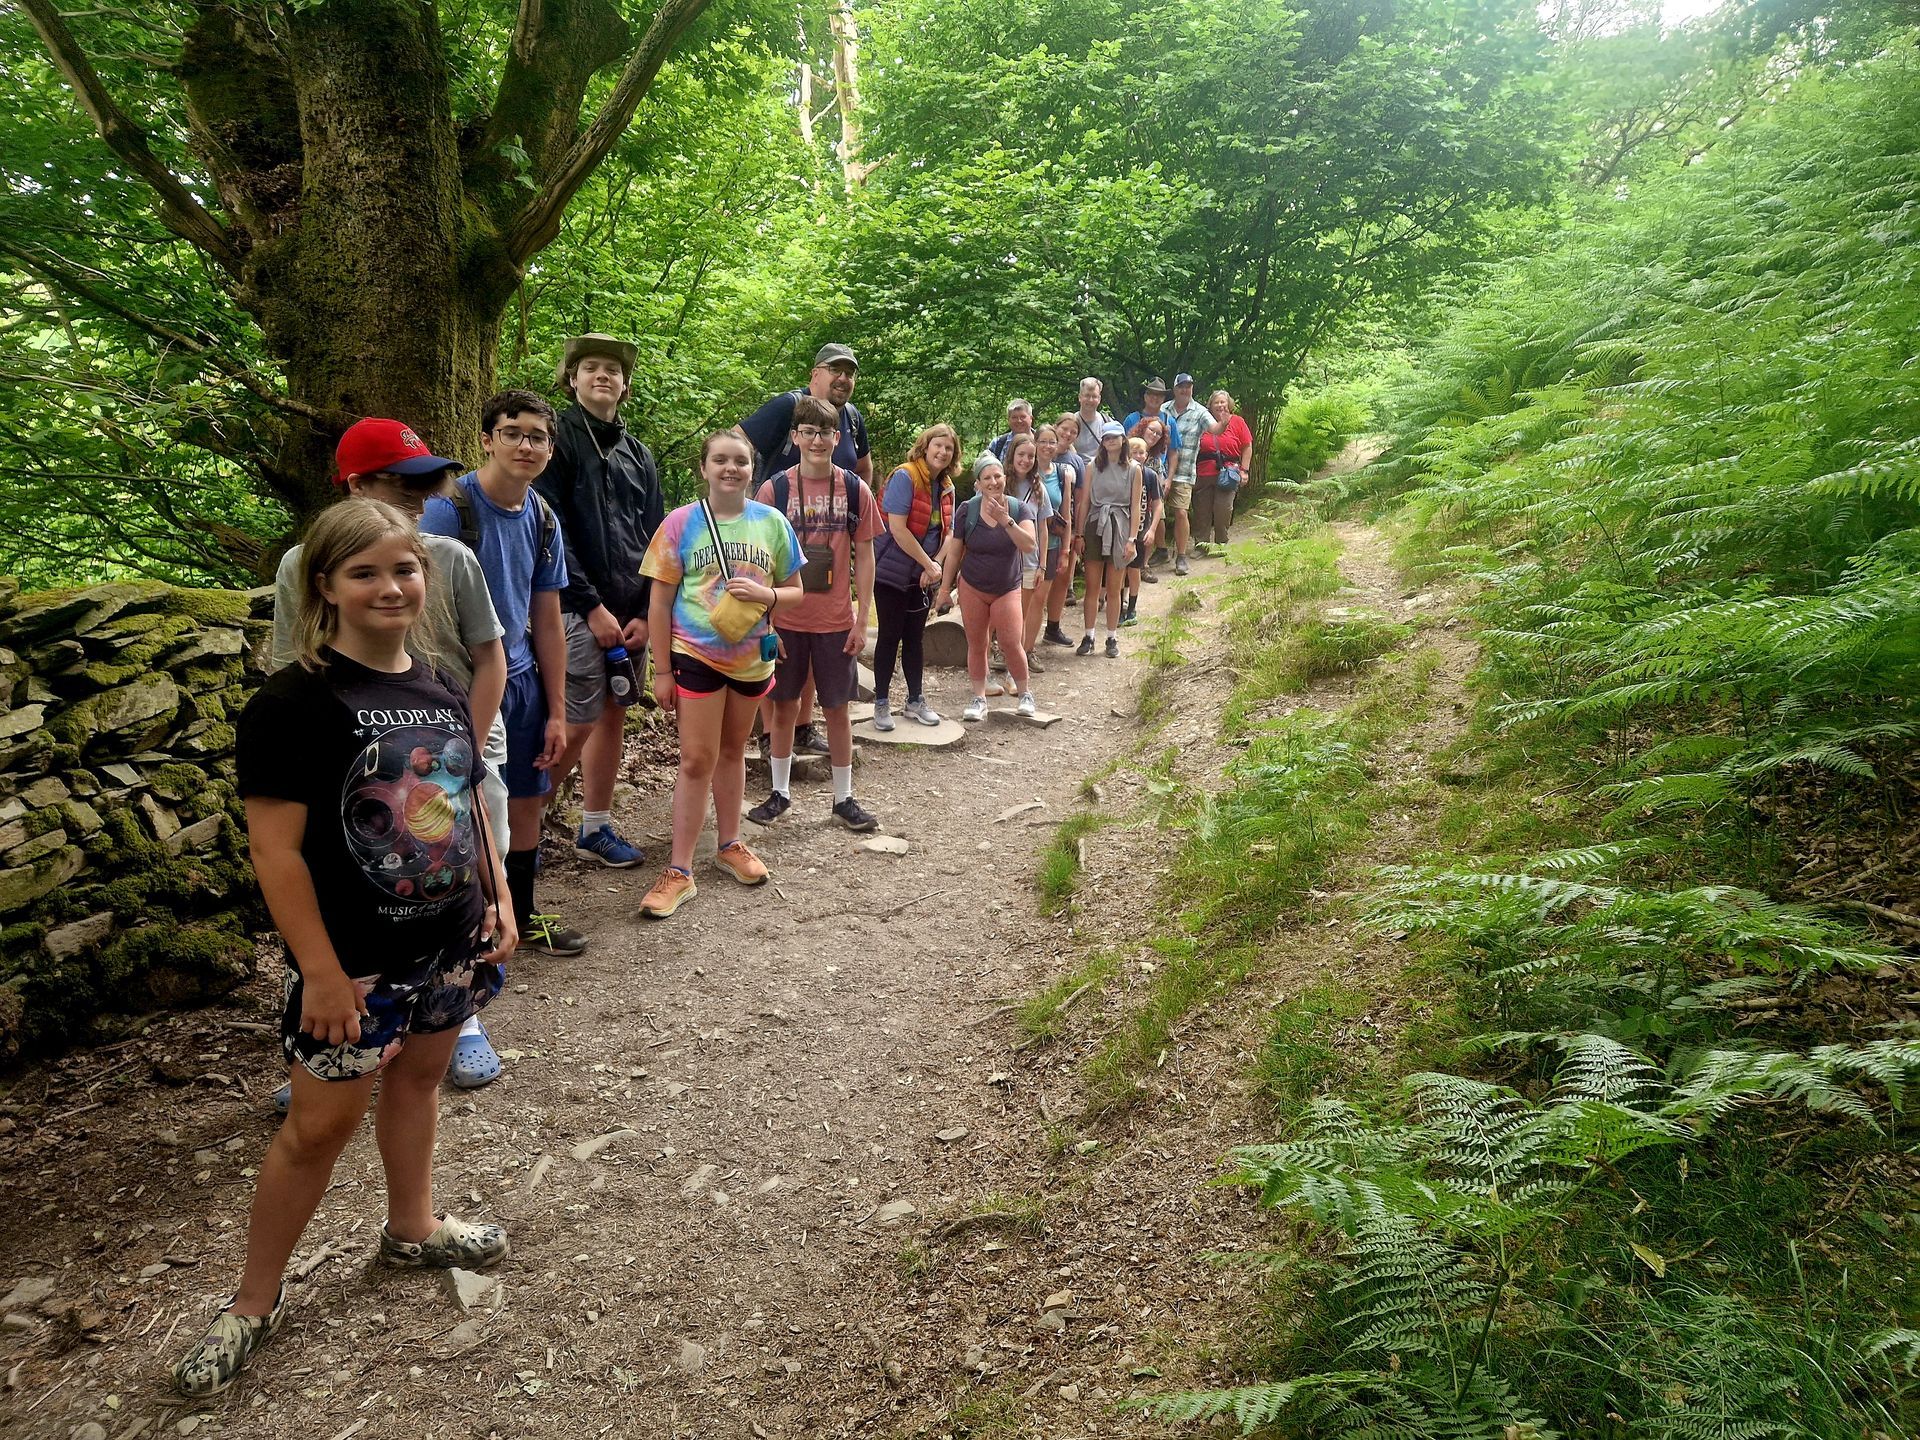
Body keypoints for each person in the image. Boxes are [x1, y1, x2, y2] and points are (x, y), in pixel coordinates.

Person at [175, 499, 513, 1398]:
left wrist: (501, 895)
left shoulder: (440, 683)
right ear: (323, 586)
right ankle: (252, 1302)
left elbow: (464, 794)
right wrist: (320, 972)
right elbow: (275, 852)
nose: (389, 587)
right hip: (354, 965)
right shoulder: (293, 704)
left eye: (403, 569)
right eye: (363, 572)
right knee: (317, 1128)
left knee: (420, 1080)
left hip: (449, 940)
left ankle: (412, 1226)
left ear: (424, 576)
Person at [268, 419, 508, 1098]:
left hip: (450, 738)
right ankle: (327, 1035)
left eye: (420, 485)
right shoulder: (300, 567)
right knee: (339, 877)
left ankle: (456, 1022)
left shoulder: (449, 558)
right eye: (394, 484)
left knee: (461, 884)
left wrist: (456, 756)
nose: (412, 498)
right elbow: (294, 660)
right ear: (353, 485)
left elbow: (490, 658)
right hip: (353, 747)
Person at [420, 392, 585, 959]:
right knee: (452, 803)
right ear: (487, 438)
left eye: (538, 436)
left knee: (526, 798)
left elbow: (547, 616)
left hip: (521, 678)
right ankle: (462, 923)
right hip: (454, 681)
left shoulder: (541, 515)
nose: (526, 444)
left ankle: (523, 912)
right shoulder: (449, 509)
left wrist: (557, 709)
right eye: (513, 432)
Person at [636, 432, 804, 918]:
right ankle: (679, 870)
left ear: (753, 468)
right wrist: (662, 670)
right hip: (697, 655)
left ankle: (731, 843)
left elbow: (795, 591)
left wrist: (766, 597)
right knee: (695, 759)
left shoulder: (771, 523)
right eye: (720, 461)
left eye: (740, 462)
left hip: (753, 658)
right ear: (704, 468)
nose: (730, 469)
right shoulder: (680, 523)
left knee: (734, 752)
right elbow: (660, 601)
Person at [537, 333, 664, 869]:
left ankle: (595, 825)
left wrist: (644, 613)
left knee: (614, 710)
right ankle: (523, 827)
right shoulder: (555, 440)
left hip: (629, 611)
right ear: (572, 379)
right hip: (572, 606)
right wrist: (590, 606)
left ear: (625, 386)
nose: (602, 376)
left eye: (612, 370)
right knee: (576, 718)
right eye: (590, 367)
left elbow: (657, 538)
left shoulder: (638, 454)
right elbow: (552, 528)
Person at [746, 395, 884, 832]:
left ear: (837, 437)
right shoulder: (776, 490)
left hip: (835, 621)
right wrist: (765, 619)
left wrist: (862, 619)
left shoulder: (855, 489)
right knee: (783, 706)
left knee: (838, 708)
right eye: (809, 432)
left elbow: (865, 555)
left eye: (825, 432)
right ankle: (779, 793)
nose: (818, 440)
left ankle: (844, 799)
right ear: (795, 437)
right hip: (786, 620)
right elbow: (759, 557)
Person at [736, 343, 871, 756]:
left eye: (850, 372)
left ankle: (802, 726)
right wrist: (743, 510)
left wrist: (858, 505)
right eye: (835, 370)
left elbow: (862, 465)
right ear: (816, 374)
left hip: (826, 546)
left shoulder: (850, 419)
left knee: (813, 640)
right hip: (774, 544)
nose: (843, 378)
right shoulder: (788, 406)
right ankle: (767, 732)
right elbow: (738, 442)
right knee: (774, 639)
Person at [871, 423, 960, 731]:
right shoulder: (905, 476)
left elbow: (949, 533)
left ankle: (914, 700)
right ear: (925, 446)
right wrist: (929, 564)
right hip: (890, 571)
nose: (943, 452)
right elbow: (897, 528)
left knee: (914, 638)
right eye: (938, 445)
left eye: (948, 448)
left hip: (922, 574)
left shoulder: (946, 486)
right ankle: (881, 703)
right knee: (888, 636)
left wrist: (933, 564)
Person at [938, 452, 1040, 721]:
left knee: (1010, 642)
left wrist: (1006, 520)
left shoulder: (1019, 508)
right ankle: (978, 697)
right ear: (978, 484)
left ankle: (1025, 692)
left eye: (997, 476)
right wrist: (944, 589)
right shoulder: (968, 510)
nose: (993, 482)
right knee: (977, 643)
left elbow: (1029, 545)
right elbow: (956, 551)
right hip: (972, 585)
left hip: (1007, 586)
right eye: (987, 478)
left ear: (1004, 478)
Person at [1077, 421, 1143, 657]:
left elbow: (1135, 506)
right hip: (1096, 523)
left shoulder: (1135, 469)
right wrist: (1079, 534)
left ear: (1123, 440)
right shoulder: (1093, 466)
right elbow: (1084, 502)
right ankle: (1089, 635)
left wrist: (1132, 539)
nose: (1111, 441)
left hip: (1120, 525)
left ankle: (1111, 638)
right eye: (1107, 438)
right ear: (1102, 442)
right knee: (1092, 586)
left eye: (1115, 437)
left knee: (1115, 587)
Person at [1000, 432, 1057, 675]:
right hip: (1001, 558)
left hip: (1030, 559)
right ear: (1012, 455)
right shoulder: (999, 482)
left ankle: (1020, 658)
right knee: (1003, 610)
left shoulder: (1038, 488)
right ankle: (1004, 653)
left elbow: (1043, 528)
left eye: (1030, 456)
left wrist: (1043, 564)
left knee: (1022, 611)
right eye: (1021, 455)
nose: (1025, 460)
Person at [1160, 372, 1215, 576]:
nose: (1185, 389)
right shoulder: (1163, 410)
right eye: (1181, 386)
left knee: (1181, 512)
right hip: (1160, 471)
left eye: (1189, 386)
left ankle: (1181, 556)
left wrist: (1224, 423)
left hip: (1184, 473)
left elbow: (1214, 428)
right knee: (1157, 514)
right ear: (1174, 389)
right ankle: (1161, 550)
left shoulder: (1200, 412)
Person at [1034, 423, 1081, 649]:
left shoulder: (1063, 474)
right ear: (1034, 443)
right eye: (1042, 441)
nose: (1047, 446)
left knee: (1041, 597)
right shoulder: (1024, 470)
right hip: (1025, 544)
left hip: (1052, 543)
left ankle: (1042, 637)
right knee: (1029, 598)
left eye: (1051, 442)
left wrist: (1065, 551)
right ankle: (1017, 647)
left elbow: (1067, 515)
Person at [1192, 388, 1254, 549]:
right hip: (1203, 472)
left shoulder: (1238, 421)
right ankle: (1202, 545)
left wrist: (1244, 470)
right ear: (1210, 405)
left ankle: (1221, 543)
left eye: (1223, 402)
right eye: (1216, 402)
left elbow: (1247, 446)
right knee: (1201, 511)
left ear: (1229, 404)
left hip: (1229, 472)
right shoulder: (1203, 421)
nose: (1220, 405)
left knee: (1224, 509)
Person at [1122, 434, 1166, 628]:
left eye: (1142, 453)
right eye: (1134, 452)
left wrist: (1153, 529)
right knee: (1118, 568)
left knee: (1134, 569)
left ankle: (1131, 606)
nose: (1138, 456)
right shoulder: (1120, 473)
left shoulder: (1150, 475)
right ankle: (1116, 602)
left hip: (1140, 529)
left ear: (1147, 456)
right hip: (1120, 529)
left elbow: (1157, 504)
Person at [1069, 377, 1114, 464]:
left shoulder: (1107, 422)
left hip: (1102, 471)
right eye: (1087, 396)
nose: (1090, 400)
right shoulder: (1070, 423)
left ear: (1099, 399)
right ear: (1080, 397)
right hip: (1079, 471)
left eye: (1094, 396)